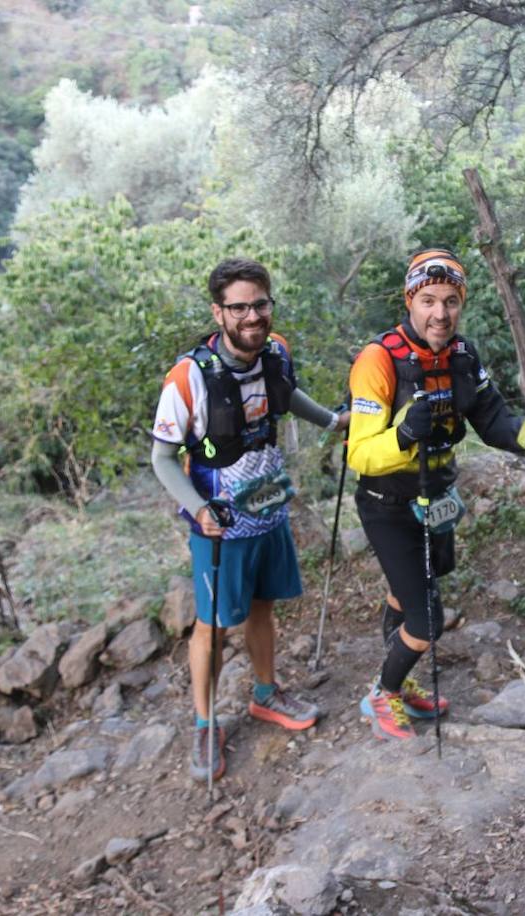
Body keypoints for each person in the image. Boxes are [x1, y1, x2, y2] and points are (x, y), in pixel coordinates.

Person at [347, 248, 525, 740]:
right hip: (387, 503)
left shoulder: (462, 357)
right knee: (427, 621)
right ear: (410, 299)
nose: (439, 313)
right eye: (428, 300)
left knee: (407, 593)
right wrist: (404, 433)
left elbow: (495, 423)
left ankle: (399, 688)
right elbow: (359, 455)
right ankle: (382, 694)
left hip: (437, 499)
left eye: (450, 301)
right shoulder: (378, 360)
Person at [150, 257, 348, 782]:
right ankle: (205, 722)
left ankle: (265, 694)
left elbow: (286, 397)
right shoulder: (188, 377)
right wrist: (197, 509)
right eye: (239, 307)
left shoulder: (274, 354)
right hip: (218, 522)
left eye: (260, 304)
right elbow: (162, 458)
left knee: (263, 607)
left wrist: (333, 421)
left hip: (267, 508)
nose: (252, 316)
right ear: (219, 313)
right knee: (213, 626)